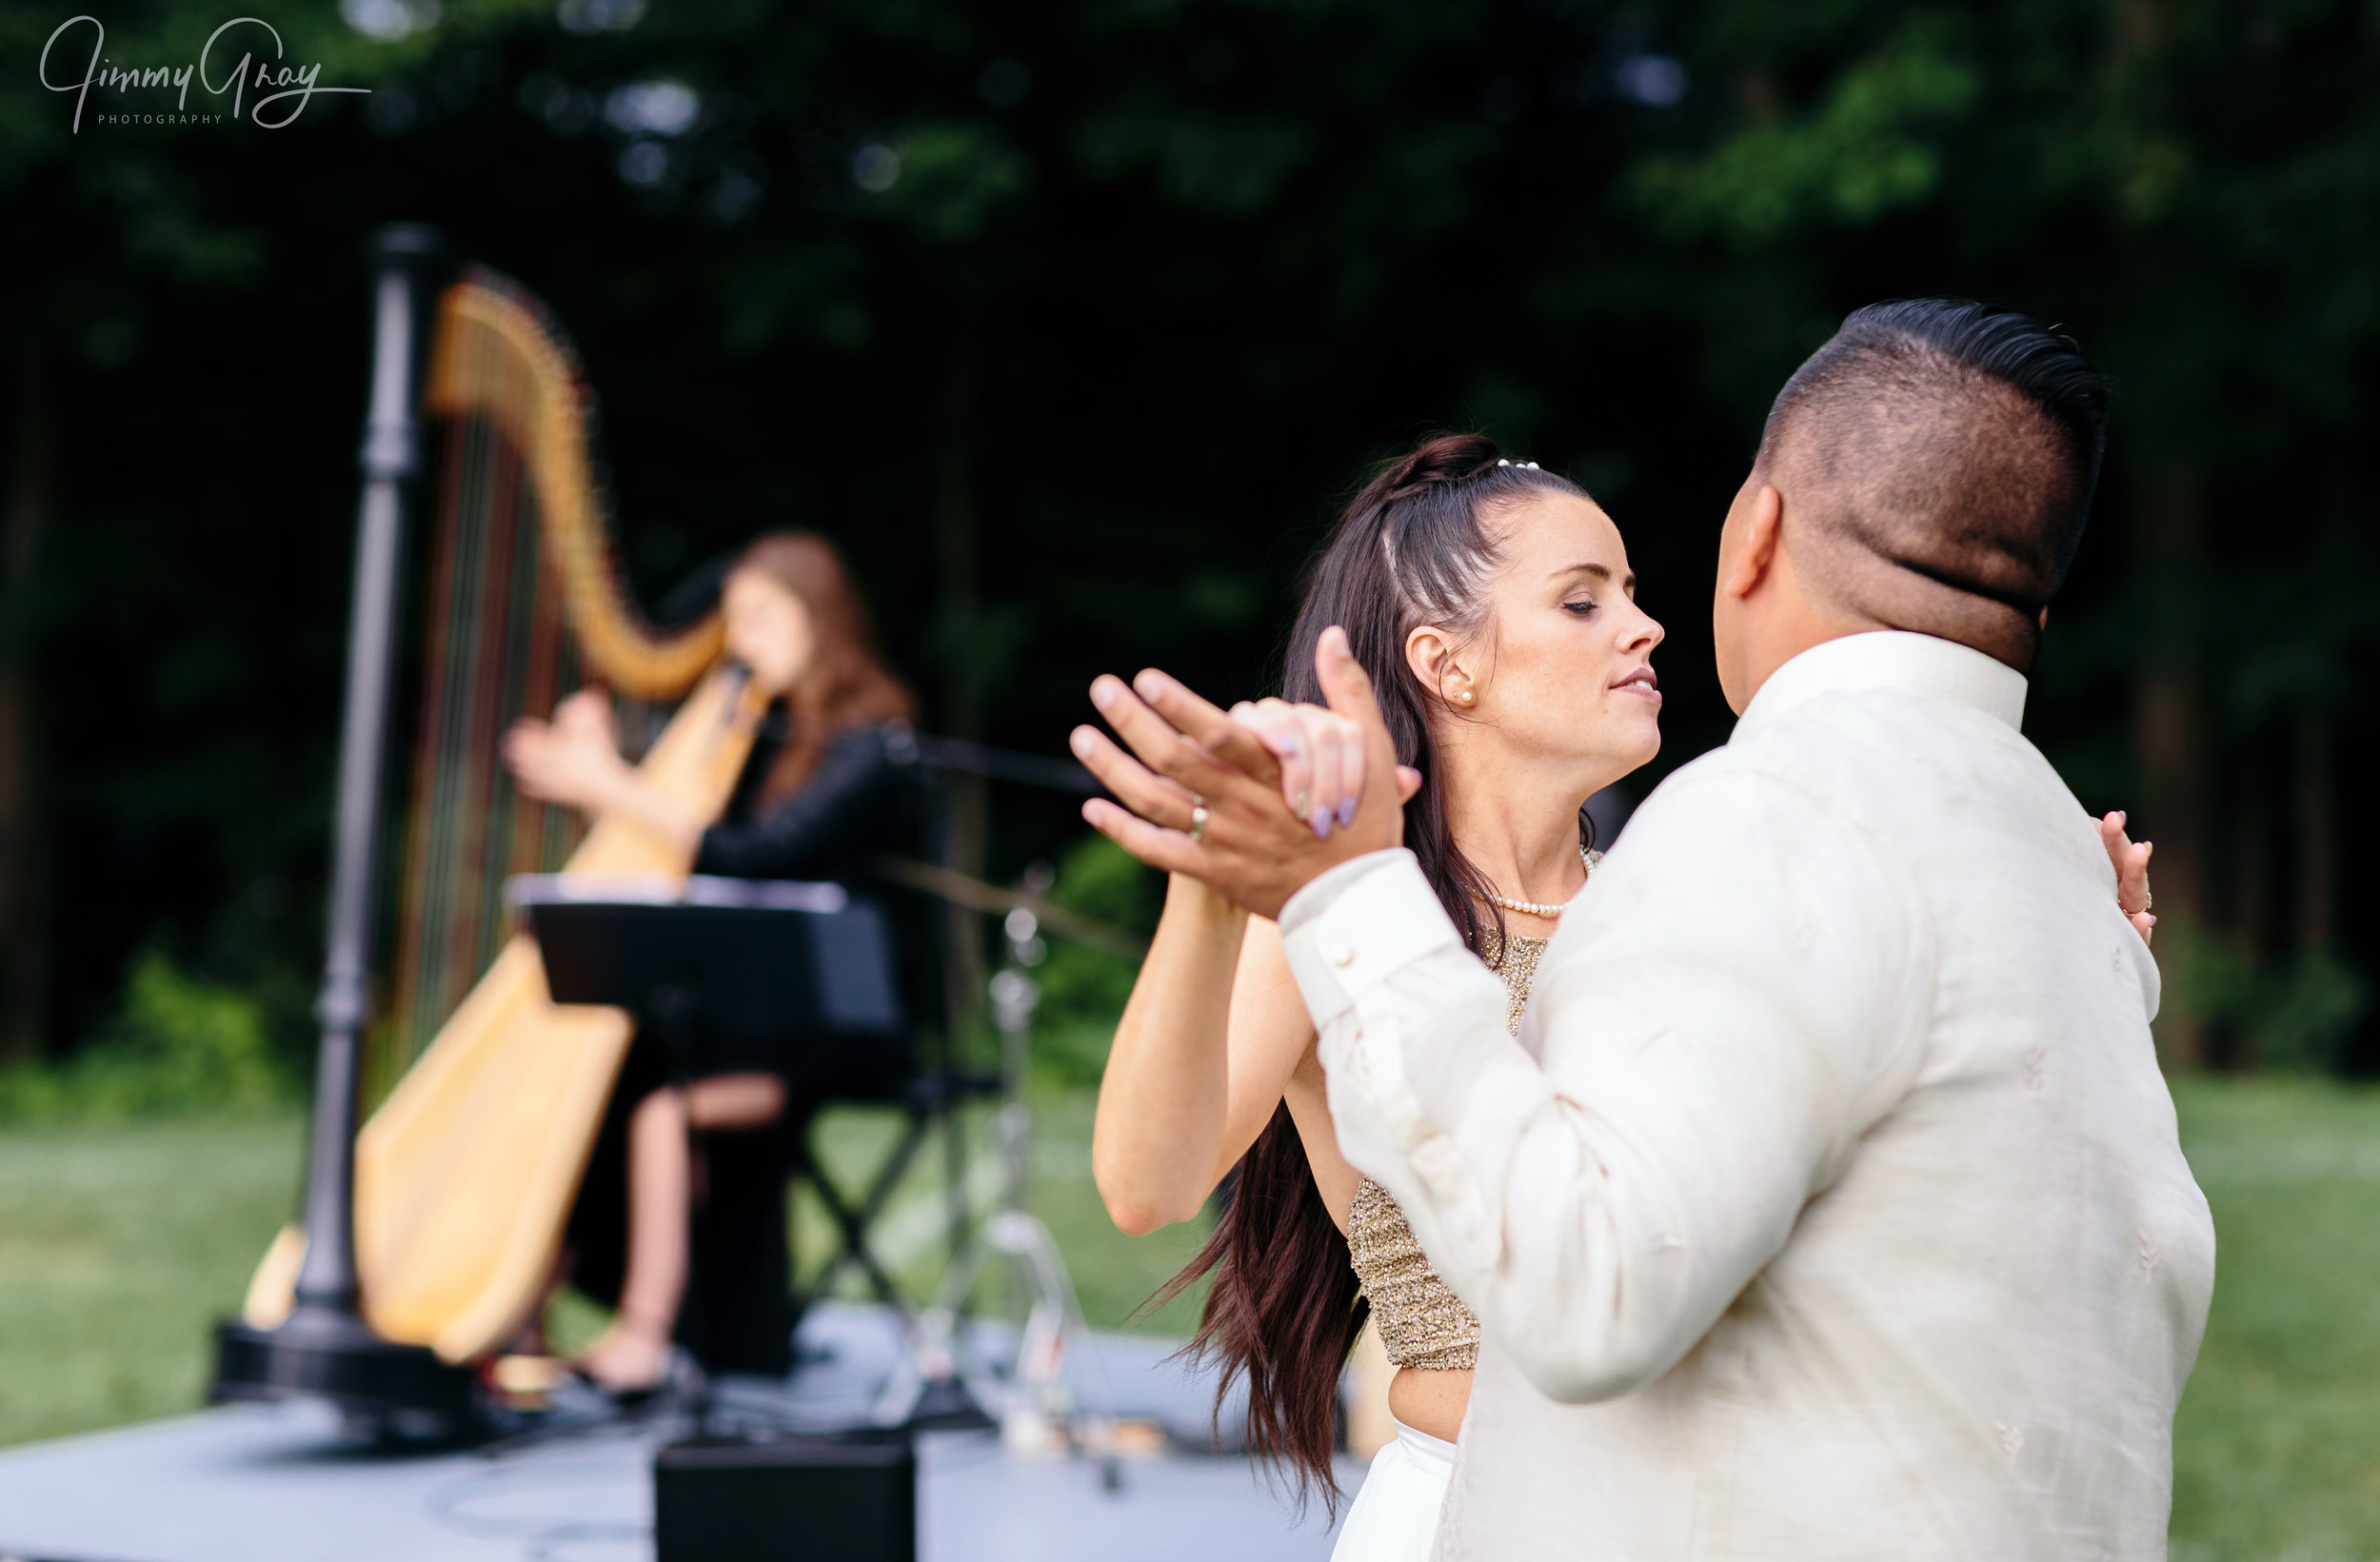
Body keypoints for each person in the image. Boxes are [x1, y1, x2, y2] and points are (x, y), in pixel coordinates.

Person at [1081, 395, 2165, 1554]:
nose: (1644, 627)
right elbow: (1150, 1180)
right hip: (1459, 1511)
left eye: (1637, 592)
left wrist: (2065, 955)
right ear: (1443, 663)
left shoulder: (1679, 887)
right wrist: (1216, 884)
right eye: (1583, 599)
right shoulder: (1359, 911)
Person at [504, 530, 916, 1391]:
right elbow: (679, 849)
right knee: (608, 1075)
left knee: (658, 1103)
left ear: (820, 615)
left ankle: (646, 1337)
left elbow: (761, 855)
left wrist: (608, 783)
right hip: (742, 1016)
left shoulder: (875, 738)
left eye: (763, 616)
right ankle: (517, 1306)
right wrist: (606, 765)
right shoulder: (754, 734)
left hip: (830, 1023)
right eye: (734, 622)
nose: (742, 642)